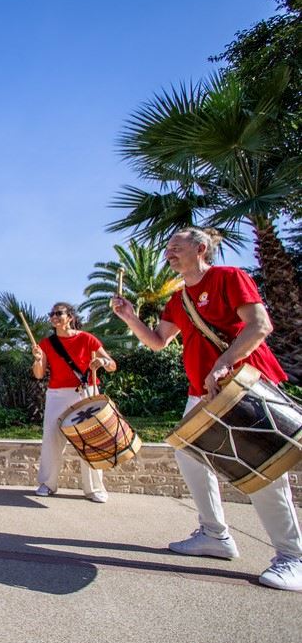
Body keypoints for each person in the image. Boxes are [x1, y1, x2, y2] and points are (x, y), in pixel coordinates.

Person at [112, 226, 302, 591]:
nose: (169, 253)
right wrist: (130, 317)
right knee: (188, 456)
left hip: (244, 387)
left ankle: (291, 556)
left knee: (260, 468)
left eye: (176, 246)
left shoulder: (229, 278)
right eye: (167, 248)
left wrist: (224, 363)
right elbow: (157, 342)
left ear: (201, 248)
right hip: (201, 392)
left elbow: (260, 325)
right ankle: (214, 535)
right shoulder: (178, 300)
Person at [31, 301, 115, 503]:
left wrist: (101, 362)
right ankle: (47, 484)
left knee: (90, 439)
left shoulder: (87, 339)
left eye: (58, 313)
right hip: (57, 394)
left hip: (86, 392)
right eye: (51, 313)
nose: (54, 317)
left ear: (70, 317)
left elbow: (112, 365)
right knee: (51, 438)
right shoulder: (46, 343)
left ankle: (94, 489)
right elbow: (39, 374)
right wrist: (37, 359)